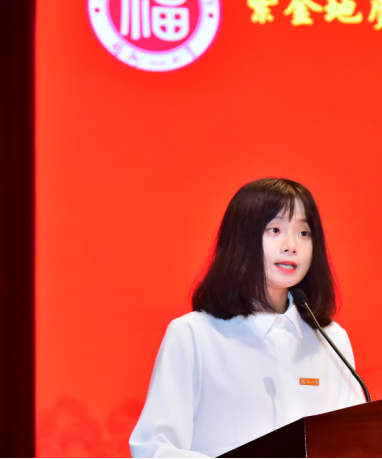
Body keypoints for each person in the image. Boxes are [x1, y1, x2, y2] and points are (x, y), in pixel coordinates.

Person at [130, 178, 363, 457]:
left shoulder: (332, 340)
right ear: (240, 239)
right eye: (275, 230)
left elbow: (357, 443)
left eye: (304, 233)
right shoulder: (193, 335)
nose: (291, 245)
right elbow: (154, 449)